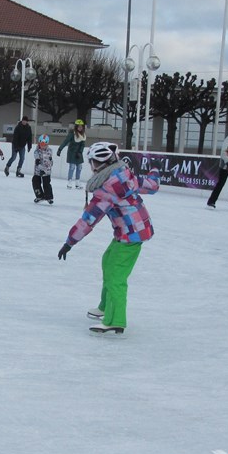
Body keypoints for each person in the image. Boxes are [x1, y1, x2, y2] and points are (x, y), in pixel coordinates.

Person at [57, 142, 159, 335]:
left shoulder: (107, 189)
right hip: (130, 231)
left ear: (98, 163)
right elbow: (152, 186)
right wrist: (155, 169)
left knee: (116, 276)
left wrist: (69, 242)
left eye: (91, 162)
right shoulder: (124, 175)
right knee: (108, 261)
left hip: (131, 234)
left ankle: (116, 320)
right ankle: (105, 306)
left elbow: (88, 220)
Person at [57, 119, 87, 188]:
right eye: (79, 126)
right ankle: (69, 181)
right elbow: (65, 141)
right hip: (72, 153)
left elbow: (83, 145)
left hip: (78, 153)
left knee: (79, 167)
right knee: (72, 167)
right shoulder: (72, 134)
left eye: (81, 126)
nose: (80, 128)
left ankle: (77, 182)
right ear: (76, 127)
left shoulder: (83, 135)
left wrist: (80, 152)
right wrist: (60, 149)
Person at [31, 134, 55, 204]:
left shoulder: (49, 151)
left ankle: (49, 197)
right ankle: (39, 196)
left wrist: (45, 170)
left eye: (44, 144)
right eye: (41, 144)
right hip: (37, 171)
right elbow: (37, 161)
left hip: (46, 171)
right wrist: (40, 167)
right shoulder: (37, 151)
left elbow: (50, 162)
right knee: (35, 182)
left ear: (47, 144)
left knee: (46, 183)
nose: (43, 146)